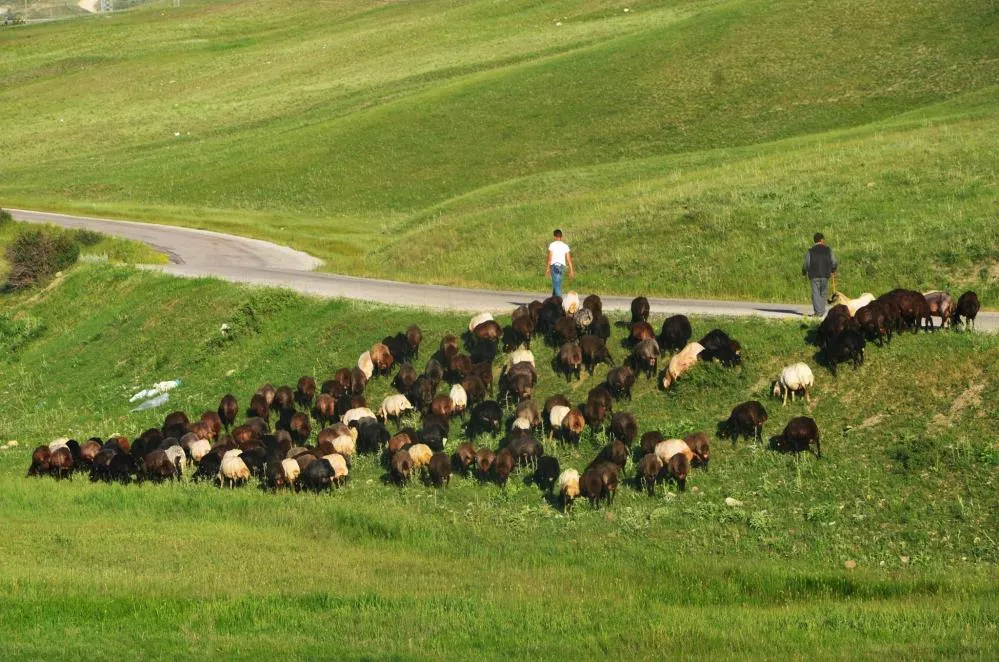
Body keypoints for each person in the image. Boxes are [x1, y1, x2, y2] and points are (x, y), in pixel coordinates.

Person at [802, 232, 838, 317]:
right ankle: (821, 311)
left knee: (816, 294)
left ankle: (818, 313)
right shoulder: (828, 249)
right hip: (825, 274)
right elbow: (834, 262)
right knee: (823, 293)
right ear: (822, 240)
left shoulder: (810, 251)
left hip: (814, 275)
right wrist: (833, 269)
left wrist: (804, 272)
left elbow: (806, 264)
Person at [545, 229, 575, 297]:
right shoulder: (565, 246)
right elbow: (569, 259)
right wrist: (571, 270)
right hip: (561, 267)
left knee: (557, 286)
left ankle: (560, 303)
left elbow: (549, 258)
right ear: (561, 236)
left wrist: (547, 269)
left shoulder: (552, 245)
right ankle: (553, 302)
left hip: (555, 266)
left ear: (554, 237)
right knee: (557, 284)